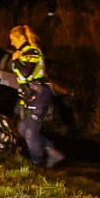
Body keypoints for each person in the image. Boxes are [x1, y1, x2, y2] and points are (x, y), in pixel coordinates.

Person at [6, 24, 64, 169]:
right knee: (22, 128)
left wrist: (15, 61)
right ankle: (52, 151)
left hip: (38, 94)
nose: (11, 43)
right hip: (29, 94)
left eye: (13, 39)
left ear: (20, 38)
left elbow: (26, 72)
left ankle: (36, 163)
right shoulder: (23, 52)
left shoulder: (32, 51)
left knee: (31, 131)